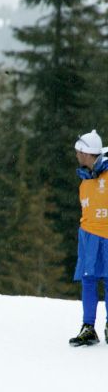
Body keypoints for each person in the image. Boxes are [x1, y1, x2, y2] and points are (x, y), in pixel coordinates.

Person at [69, 129, 108, 347]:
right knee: (88, 281)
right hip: (88, 236)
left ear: (86, 153)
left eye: (78, 152)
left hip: (107, 235)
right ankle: (88, 327)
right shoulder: (85, 179)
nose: (76, 155)